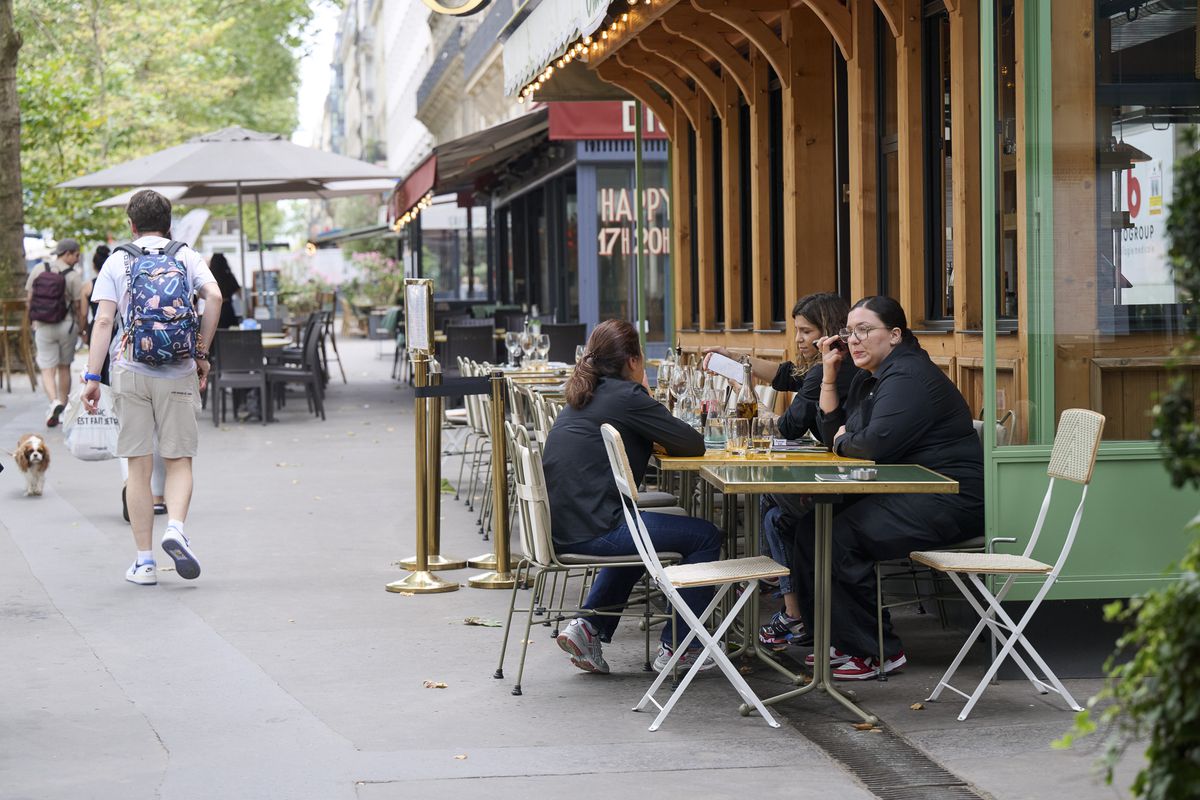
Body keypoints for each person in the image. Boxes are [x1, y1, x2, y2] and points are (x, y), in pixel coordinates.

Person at [794, 295, 984, 680]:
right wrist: (830, 378)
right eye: (850, 332)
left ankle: (877, 651)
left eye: (865, 330)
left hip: (951, 498)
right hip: (913, 491)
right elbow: (837, 434)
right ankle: (838, 638)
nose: (854, 340)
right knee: (810, 528)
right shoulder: (873, 376)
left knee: (839, 536)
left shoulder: (908, 375)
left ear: (895, 335)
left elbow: (872, 444)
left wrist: (847, 441)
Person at [542, 319, 721, 674]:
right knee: (705, 536)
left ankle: (589, 626)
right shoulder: (626, 395)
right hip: (594, 527)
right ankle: (681, 647)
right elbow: (691, 443)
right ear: (635, 360)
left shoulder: (587, 391)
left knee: (643, 533)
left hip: (567, 523)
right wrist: (644, 391)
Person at [706, 292, 860, 652]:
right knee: (773, 509)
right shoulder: (819, 367)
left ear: (829, 332)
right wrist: (737, 362)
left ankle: (788, 604)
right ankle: (792, 607)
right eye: (797, 330)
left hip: (845, 479)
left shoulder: (827, 369)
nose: (799, 339)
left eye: (806, 331)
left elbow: (787, 428)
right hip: (835, 468)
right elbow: (784, 375)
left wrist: (746, 396)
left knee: (773, 502)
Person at [82, 189, 222, 586]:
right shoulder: (186, 256)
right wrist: (200, 352)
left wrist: (93, 378)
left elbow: (104, 322)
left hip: (130, 370)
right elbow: (214, 296)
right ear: (170, 222)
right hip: (178, 371)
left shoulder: (117, 260)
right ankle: (175, 527)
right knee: (178, 460)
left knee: (138, 466)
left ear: (131, 224)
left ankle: (144, 562)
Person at [26, 238, 86, 427]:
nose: (77, 259)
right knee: (64, 367)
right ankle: (64, 410)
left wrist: (33, 321)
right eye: (76, 255)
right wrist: (81, 328)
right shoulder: (73, 276)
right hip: (66, 326)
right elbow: (79, 307)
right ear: (67, 253)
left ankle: (54, 403)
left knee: (47, 368)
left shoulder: (38, 269)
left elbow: (29, 299)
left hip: (43, 325)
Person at [80, 245, 112, 385]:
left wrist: (84, 331)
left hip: (96, 326)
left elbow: (83, 313)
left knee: (96, 363)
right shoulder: (113, 282)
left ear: (94, 265)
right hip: (113, 326)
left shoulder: (88, 286)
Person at [208, 252, 242, 329]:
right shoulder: (229, 276)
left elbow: (200, 294)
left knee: (215, 332)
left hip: (213, 307)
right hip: (228, 308)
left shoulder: (210, 277)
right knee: (230, 334)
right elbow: (240, 292)